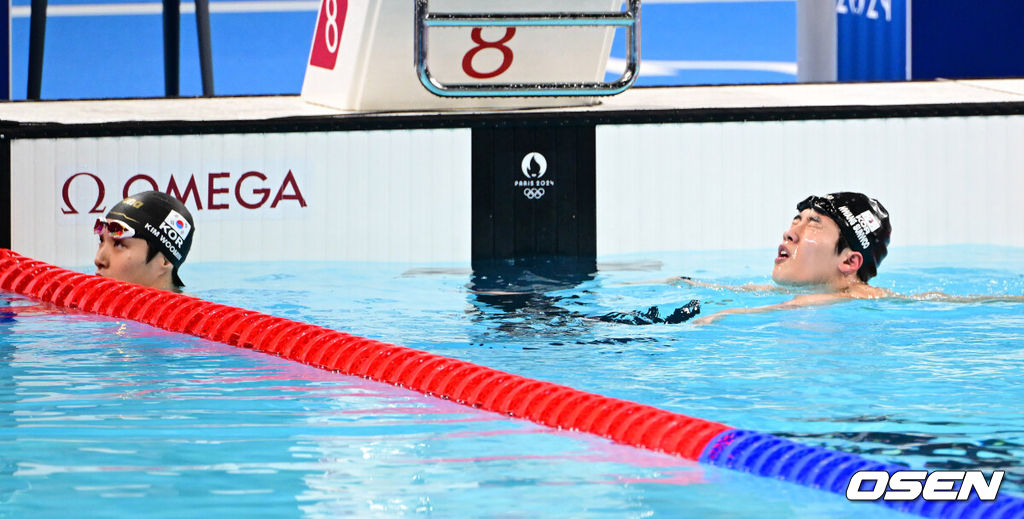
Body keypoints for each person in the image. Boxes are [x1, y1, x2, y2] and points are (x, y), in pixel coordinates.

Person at [93, 191, 195, 291]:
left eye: (119, 244)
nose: (98, 260)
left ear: (165, 261)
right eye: (101, 240)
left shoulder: (196, 307)